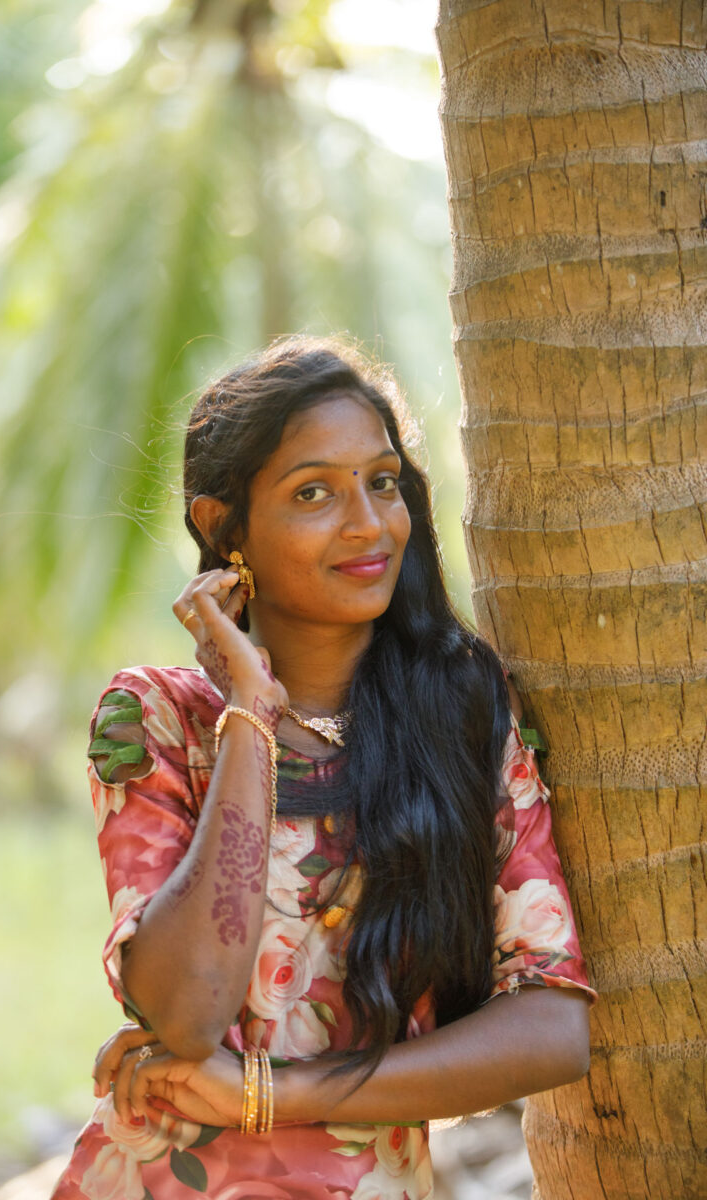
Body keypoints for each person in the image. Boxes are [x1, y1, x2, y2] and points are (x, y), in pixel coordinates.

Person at [51, 336, 595, 1200]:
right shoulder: (157, 717)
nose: (368, 525)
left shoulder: (463, 710)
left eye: (382, 483)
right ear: (220, 525)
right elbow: (188, 1012)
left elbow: (553, 1028)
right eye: (314, 493)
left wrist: (266, 1094)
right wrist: (251, 716)